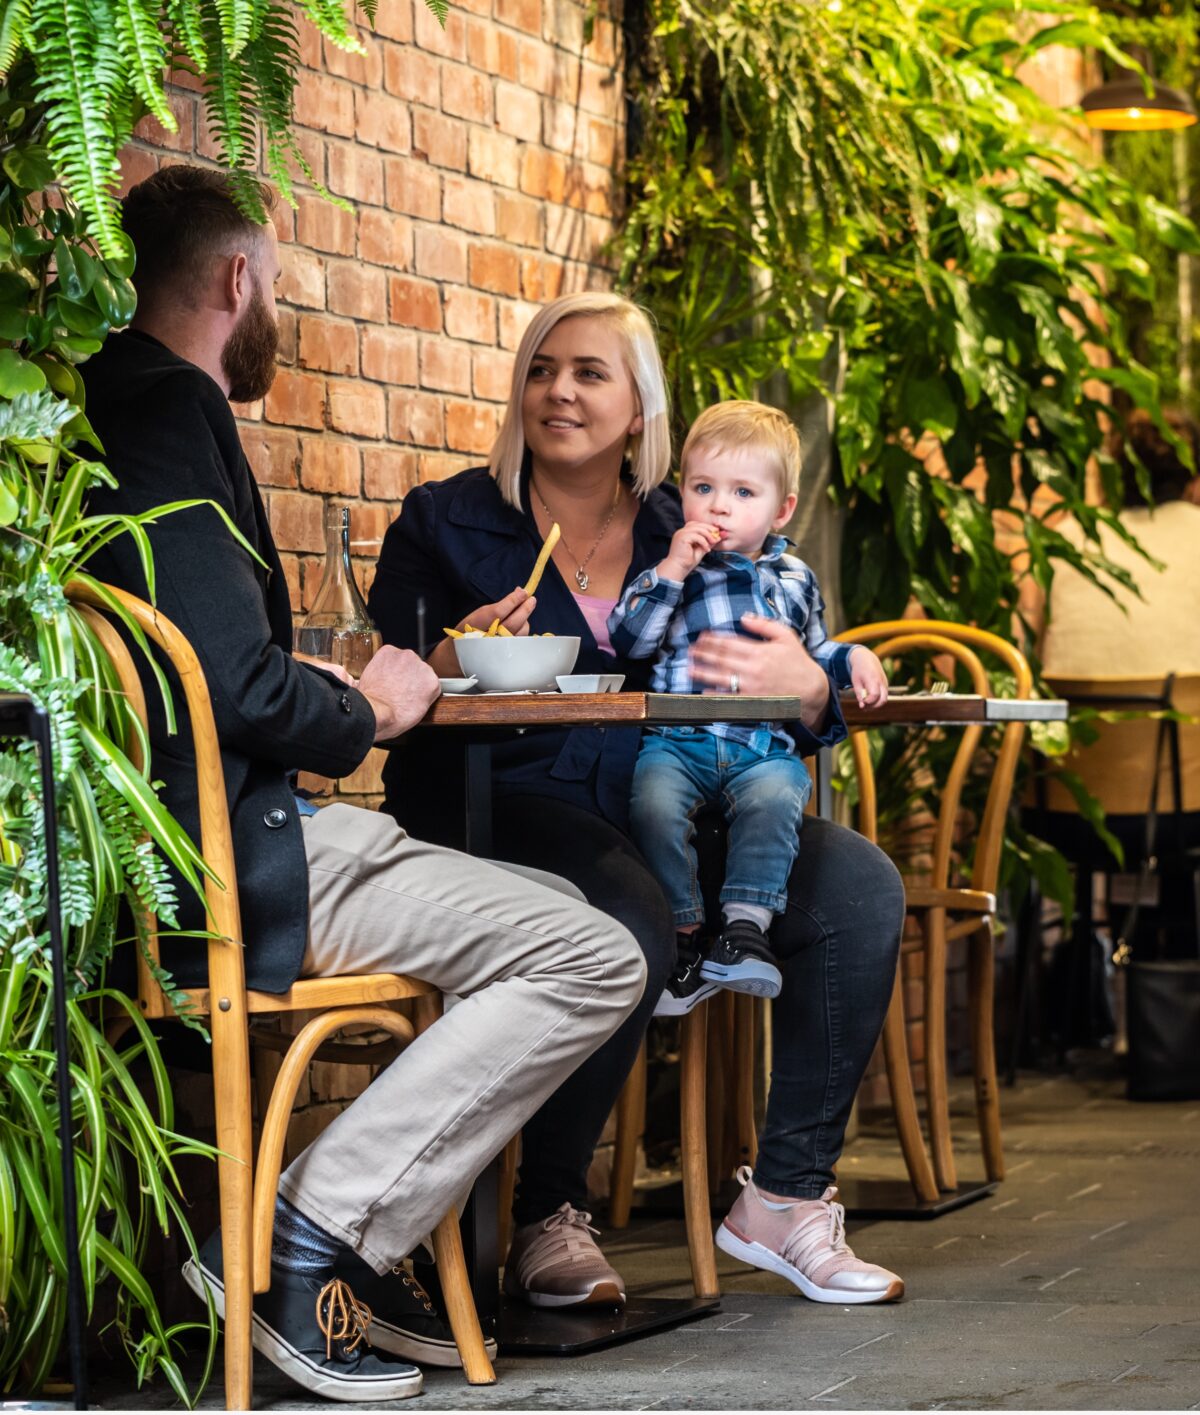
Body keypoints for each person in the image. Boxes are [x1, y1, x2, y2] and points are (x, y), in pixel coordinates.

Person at [79, 168, 647, 1402]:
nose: (275, 301)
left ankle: (347, 1249)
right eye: (276, 282)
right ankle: (312, 1233)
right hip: (232, 849)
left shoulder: (84, 404)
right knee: (597, 951)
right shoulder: (170, 413)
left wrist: (343, 684)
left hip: (139, 846)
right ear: (240, 280)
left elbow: (184, 659)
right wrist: (371, 708)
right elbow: (235, 687)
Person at [370, 291, 907, 1308]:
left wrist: (808, 686)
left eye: (587, 372)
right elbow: (391, 686)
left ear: (639, 405)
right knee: (631, 909)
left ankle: (786, 1197)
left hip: (664, 795)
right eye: (540, 368)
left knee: (857, 890)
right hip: (498, 802)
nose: (557, 391)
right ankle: (550, 1213)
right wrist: (454, 652)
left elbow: (785, 693)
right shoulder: (447, 519)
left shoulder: (697, 523)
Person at [609, 401, 888, 1012]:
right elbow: (629, 638)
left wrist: (856, 656)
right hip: (675, 744)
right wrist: (674, 569)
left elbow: (818, 651)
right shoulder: (672, 569)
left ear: (781, 508)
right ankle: (682, 937)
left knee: (780, 794)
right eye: (703, 487)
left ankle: (743, 933)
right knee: (652, 801)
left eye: (742, 492)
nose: (719, 506)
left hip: (761, 746)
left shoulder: (794, 579)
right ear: (681, 492)